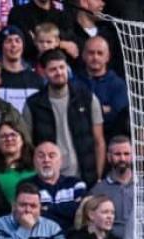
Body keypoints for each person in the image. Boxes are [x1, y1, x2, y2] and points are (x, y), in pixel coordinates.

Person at [24, 49, 105, 187]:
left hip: (84, 178)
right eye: (53, 69)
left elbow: (99, 142)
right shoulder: (33, 104)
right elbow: (28, 145)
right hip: (48, 181)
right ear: (43, 72)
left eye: (62, 67)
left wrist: (97, 176)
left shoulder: (87, 98)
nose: (59, 73)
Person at [23, 141, 86, 232]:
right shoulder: (26, 186)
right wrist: (67, 208)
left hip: (72, 238)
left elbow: (80, 211)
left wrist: (47, 208)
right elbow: (29, 215)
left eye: (51, 156)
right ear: (34, 161)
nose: (46, 160)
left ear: (60, 161)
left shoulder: (76, 184)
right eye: (41, 156)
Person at [79, 36, 128, 143]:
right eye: (91, 53)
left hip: (110, 140)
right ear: (83, 55)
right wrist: (103, 109)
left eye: (100, 53)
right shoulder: (75, 82)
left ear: (108, 57)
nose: (95, 57)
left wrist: (85, 109)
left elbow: (116, 116)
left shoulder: (118, 85)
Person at [90, 135, 133, 239]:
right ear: (109, 157)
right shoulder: (97, 191)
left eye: (126, 154)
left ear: (133, 156)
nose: (122, 158)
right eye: (117, 154)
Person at [0, 26, 44, 113]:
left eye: (17, 41)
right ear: (1, 46)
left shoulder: (36, 79)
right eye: (8, 41)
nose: (14, 45)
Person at [0, 120, 36, 204]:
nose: (9, 139)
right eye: (3, 136)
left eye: (13, 135)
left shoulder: (36, 163)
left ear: (22, 139)